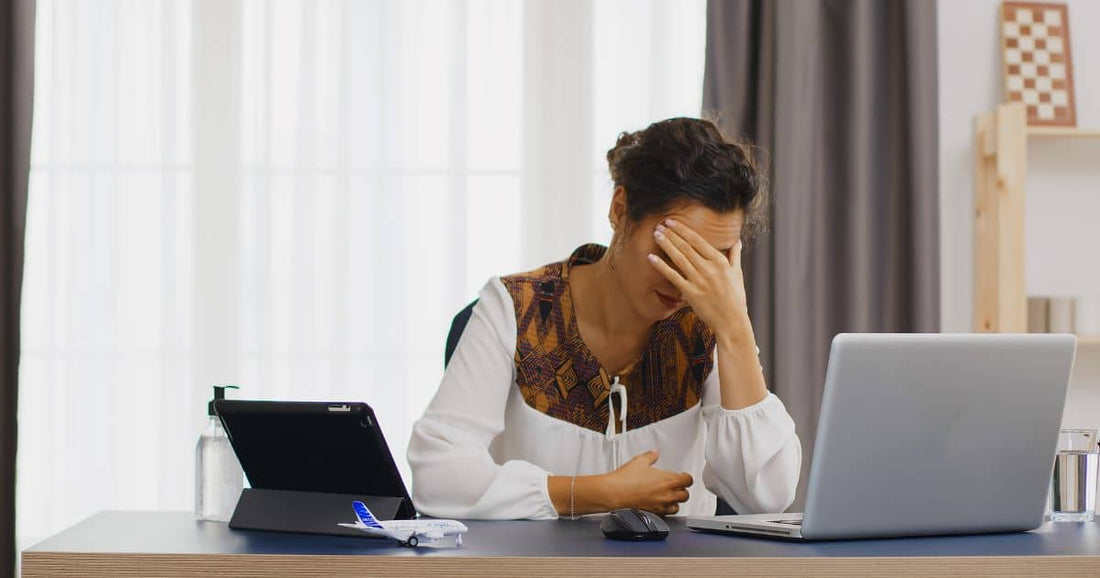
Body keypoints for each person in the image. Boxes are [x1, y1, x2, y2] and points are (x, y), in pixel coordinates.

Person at [408, 117, 801, 520]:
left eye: (709, 261)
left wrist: (734, 327)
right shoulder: (512, 307)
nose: (684, 283)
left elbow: (766, 496)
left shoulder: (709, 322)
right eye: (673, 251)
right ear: (620, 210)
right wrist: (588, 493)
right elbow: (437, 475)